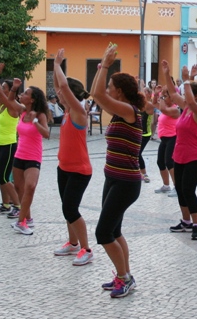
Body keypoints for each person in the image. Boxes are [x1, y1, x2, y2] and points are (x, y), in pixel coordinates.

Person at [91, 43, 144, 298]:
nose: (107, 89)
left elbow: (98, 95)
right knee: (114, 231)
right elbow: (96, 94)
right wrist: (102, 68)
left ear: (119, 92)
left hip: (126, 182)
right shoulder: (118, 110)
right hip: (112, 177)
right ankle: (125, 275)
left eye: (111, 86)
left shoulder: (129, 111)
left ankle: (124, 278)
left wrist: (105, 64)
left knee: (103, 233)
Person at [0, 67, 49, 235]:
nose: (22, 95)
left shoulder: (40, 115)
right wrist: (14, 88)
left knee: (30, 186)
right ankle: (28, 218)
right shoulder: (22, 111)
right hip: (19, 155)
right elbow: (8, 100)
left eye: (25, 93)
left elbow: (46, 134)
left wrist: (35, 122)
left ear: (32, 99)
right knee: (19, 188)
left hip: (33, 156)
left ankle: (21, 222)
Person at [50, 48, 95, 266]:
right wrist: (55, 68)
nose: (58, 94)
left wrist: (57, 65)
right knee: (66, 208)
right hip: (64, 168)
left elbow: (64, 87)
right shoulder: (68, 111)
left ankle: (86, 249)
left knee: (71, 209)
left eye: (63, 92)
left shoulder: (78, 111)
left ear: (72, 95)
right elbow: (60, 86)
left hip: (79, 170)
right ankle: (73, 243)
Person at [162, 61, 197, 240]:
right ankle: (186, 221)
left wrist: (187, 79)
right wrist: (167, 74)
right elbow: (173, 94)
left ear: (195, 96)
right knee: (180, 189)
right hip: (180, 155)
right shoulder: (187, 108)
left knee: (188, 190)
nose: (182, 94)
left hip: (195, 156)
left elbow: (186, 98)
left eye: (187, 91)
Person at [0, 64, 22, 218]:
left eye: (4, 88)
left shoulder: (12, 106)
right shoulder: (2, 106)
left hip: (9, 145)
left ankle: (18, 206)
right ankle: (6, 204)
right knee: (0, 178)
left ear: (11, 91)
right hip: (0, 145)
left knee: (5, 177)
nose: (1, 89)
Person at [153, 85, 180, 195]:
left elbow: (162, 109)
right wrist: (156, 94)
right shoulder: (165, 107)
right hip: (164, 139)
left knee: (169, 162)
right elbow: (154, 104)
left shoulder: (175, 109)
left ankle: (177, 187)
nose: (164, 98)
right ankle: (166, 185)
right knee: (160, 162)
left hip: (173, 138)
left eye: (166, 96)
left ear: (172, 98)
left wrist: (162, 96)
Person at [136, 82, 154, 184]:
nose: (143, 93)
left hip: (145, 134)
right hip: (138, 132)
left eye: (145, 92)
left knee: (138, 153)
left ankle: (144, 174)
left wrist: (141, 87)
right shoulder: (141, 104)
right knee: (135, 153)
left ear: (149, 94)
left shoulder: (149, 105)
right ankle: (137, 172)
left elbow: (143, 107)